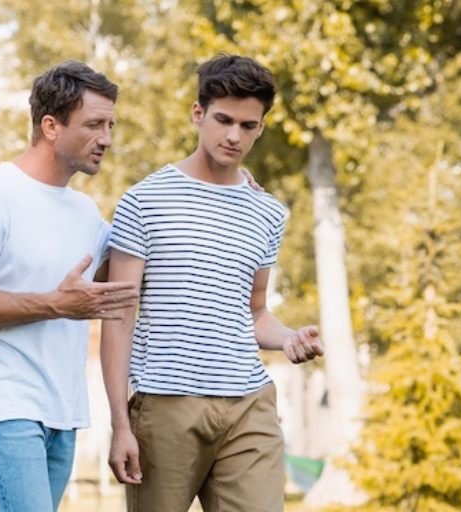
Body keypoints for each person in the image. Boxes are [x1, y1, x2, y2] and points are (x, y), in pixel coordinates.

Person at [100, 53, 325, 512]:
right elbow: (120, 318)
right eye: (223, 120)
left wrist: (289, 339)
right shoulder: (144, 201)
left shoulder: (268, 212)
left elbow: (255, 311)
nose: (233, 136)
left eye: (248, 125)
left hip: (249, 404)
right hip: (165, 403)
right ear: (198, 113)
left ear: (262, 126)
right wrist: (120, 422)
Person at [0, 61, 141, 512]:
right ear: (50, 125)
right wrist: (54, 305)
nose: (107, 138)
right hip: (1, 408)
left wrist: (229, 183)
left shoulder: (85, 212)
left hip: (61, 413)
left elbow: (129, 272)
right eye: (94, 125)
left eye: (110, 125)